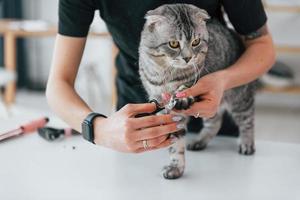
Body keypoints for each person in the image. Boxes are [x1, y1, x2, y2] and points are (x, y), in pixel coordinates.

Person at [46, 0, 275, 153]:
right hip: (137, 126)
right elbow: (58, 84)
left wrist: (223, 80)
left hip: (216, 116)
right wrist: (99, 129)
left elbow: (263, 46)